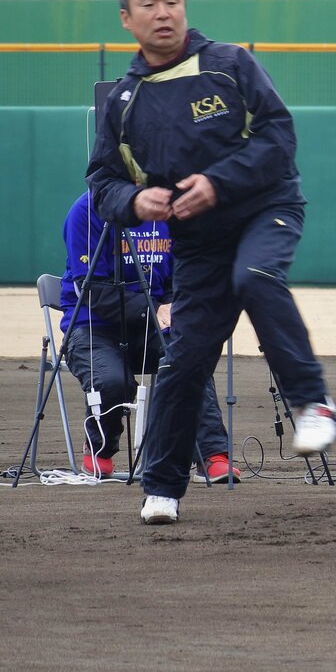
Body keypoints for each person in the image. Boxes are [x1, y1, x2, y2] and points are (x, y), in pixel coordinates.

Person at [87, 0, 336, 525]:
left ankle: (312, 403)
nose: (163, 11)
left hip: (265, 210)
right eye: (149, 3)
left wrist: (217, 182)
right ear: (127, 19)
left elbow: (279, 136)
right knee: (184, 363)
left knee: (256, 278)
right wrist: (133, 202)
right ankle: (163, 488)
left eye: (172, 0)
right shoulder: (124, 104)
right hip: (198, 245)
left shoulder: (229, 64)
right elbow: (101, 182)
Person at [59, 191, 240, 484]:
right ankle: (100, 447)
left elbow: (178, 276)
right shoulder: (85, 210)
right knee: (114, 382)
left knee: (190, 356)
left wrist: (177, 304)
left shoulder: (168, 210)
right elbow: (90, 288)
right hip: (92, 326)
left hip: (154, 325)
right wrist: (152, 309)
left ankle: (212, 454)